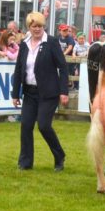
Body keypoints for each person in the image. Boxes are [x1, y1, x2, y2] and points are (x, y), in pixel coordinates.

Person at [11, 11, 69, 172]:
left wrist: (64, 91)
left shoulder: (51, 42)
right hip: (29, 92)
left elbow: (63, 67)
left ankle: (59, 156)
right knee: (26, 126)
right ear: (28, 27)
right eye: (34, 26)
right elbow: (19, 69)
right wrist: (15, 93)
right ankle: (25, 162)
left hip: (48, 92)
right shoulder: (24, 44)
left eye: (40, 26)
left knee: (43, 126)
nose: (37, 29)